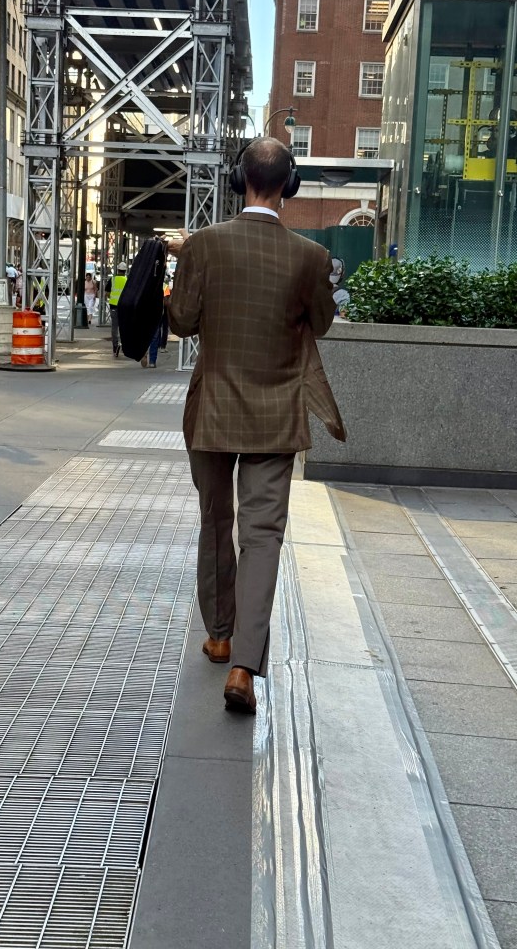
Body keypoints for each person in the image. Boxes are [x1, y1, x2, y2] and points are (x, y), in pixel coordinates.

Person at [168, 137, 345, 714]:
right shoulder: (310, 257)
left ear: (239, 179)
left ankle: (219, 635)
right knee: (263, 535)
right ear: (288, 186)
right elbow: (321, 323)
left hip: (213, 408)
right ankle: (244, 667)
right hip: (275, 416)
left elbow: (184, 321)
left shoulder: (205, 245)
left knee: (216, 520)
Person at [106, 261, 127, 357]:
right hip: (124, 306)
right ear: (125, 271)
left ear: (118, 270)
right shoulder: (127, 280)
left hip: (113, 305)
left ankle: (115, 346)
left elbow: (107, 293)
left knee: (114, 327)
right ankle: (124, 345)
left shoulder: (112, 279)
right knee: (124, 326)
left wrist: (112, 297)